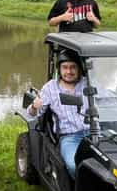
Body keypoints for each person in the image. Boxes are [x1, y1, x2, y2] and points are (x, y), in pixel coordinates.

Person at [27, 49, 87, 178]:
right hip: (70, 137)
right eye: (65, 67)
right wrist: (34, 106)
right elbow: (32, 113)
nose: (69, 71)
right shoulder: (50, 87)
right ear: (59, 70)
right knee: (73, 165)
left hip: (95, 133)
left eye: (73, 67)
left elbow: (110, 99)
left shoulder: (87, 83)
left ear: (79, 69)